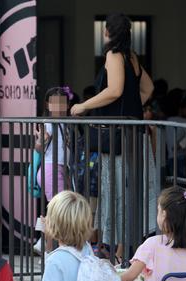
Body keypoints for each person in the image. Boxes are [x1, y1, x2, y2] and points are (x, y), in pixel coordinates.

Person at [70, 13, 154, 257]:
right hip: (134, 134)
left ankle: (118, 250)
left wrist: (84, 105)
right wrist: (132, 107)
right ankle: (123, 248)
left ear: (108, 32)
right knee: (133, 190)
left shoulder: (114, 54)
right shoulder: (132, 57)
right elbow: (148, 88)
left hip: (118, 138)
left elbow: (114, 89)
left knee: (116, 191)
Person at [34, 87, 71, 201]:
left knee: (61, 207)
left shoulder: (66, 123)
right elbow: (38, 148)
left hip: (60, 169)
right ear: (47, 105)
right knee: (60, 207)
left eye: (62, 103)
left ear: (67, 105)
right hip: (51, 170)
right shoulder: (48, 124)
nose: (59, 108)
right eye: (55, 104)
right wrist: (41, 141)